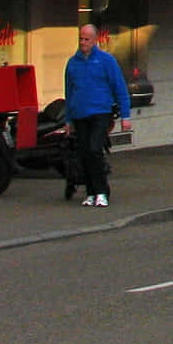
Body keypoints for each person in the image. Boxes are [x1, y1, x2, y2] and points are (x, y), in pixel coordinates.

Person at [65, 24, 132, 207]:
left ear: (95, 40)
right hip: (80, 113)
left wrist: (126, 116)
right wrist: (68, 119)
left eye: (87, 39)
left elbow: (119, 87)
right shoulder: (73, 63)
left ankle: (102, 190)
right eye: (81, 38)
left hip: (101, 112)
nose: (83, 42)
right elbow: (69, 91)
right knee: (84, 153)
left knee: (95, 149)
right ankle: (90, 192)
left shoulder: (106, 61)